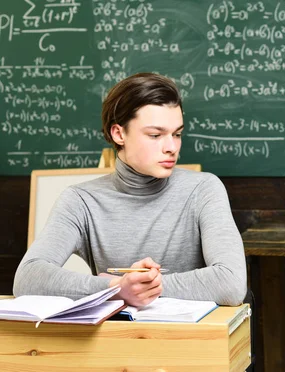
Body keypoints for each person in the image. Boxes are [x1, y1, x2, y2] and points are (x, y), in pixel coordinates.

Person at [13, 72, 247, 307]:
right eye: (155, 135)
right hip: (116, 340)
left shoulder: (204, 189)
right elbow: (28, 278)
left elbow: (232, 283)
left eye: (177, 134)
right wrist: (114, 288)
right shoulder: (80, 201)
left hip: (192, 339)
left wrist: (139, 288)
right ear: (119, 133)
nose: (171, 147)